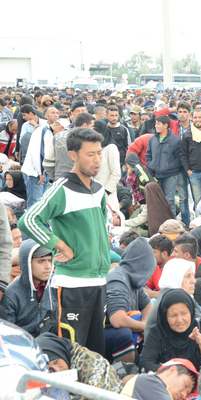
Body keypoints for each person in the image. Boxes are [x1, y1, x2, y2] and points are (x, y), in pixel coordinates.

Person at [19, 127, 110, 356]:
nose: (97, 159)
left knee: (95, 353)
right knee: (70, 353)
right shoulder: (61, 187)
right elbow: (28, 220)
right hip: (71, 285)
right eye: (90, 154)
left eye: (99, 153)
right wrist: (60, 246)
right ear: (73, 154)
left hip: (99, 282)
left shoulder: (99, 190)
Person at [140, 289, 201, 372]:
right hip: (168, 382)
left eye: (184, 313)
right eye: (173, 315)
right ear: (165, 316)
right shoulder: (157, 332)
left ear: (191, 312)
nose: (179, 320)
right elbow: (145, 363)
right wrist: (173, 374)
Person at [105, 237, 155, 363]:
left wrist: (144, 326)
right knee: (124, 335)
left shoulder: (132, 277)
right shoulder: (118, 280)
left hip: (115, 331)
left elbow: (148, 305)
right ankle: (125, 375)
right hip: (100, 335)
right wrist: (142, 326)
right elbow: (117, 319)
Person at [34, 333, 122, 398]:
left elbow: (102, 395)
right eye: (50, 369)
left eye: (56, 362)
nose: (57, 370)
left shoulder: (86, 360)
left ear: (60, 352)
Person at [0, 239, 55, 337]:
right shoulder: (11, 294)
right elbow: (8, 335)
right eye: (41, 261)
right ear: (27, 263)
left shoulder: (54, 287)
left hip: (51, 344)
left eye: (50, 260)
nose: (48, 266)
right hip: (24, 347)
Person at [122, 358, 199, 400]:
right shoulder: (148, 381)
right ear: (172, 371)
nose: (184, 394)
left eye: (188, 393)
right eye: (185, 385)